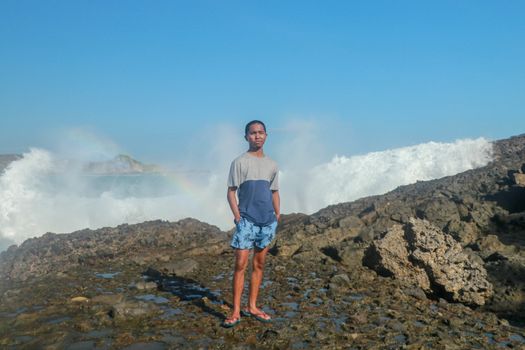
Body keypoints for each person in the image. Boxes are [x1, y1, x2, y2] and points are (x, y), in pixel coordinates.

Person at [222, 120, 280, 328]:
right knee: (240, 266)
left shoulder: (272, 164)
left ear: (266, 135)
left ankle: (252, 306)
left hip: (267, 221)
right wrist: (237, 217)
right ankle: (235, 311)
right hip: (247, 221)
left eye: (261, 132)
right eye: (253, 133)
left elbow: (274, 191)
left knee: (259, 265)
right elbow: (231, 191)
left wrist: (278, 215)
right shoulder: (239, 162)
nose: (257, 136)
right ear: (246, 136)